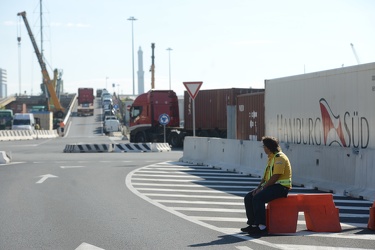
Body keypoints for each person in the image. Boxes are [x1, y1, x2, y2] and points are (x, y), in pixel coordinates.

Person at [241, 136, 292, 235]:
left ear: (268, 147)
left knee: (258, 198)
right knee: (248, 197)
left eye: (264, 146)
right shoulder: (271, 158)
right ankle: (253, 225)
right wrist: (258, 188)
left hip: (281, 188)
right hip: (272, 186)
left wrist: (262, 189)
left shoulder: (279, 158)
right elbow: (265, 178)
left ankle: (262, 226)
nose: (263, 148)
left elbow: (276, 176)